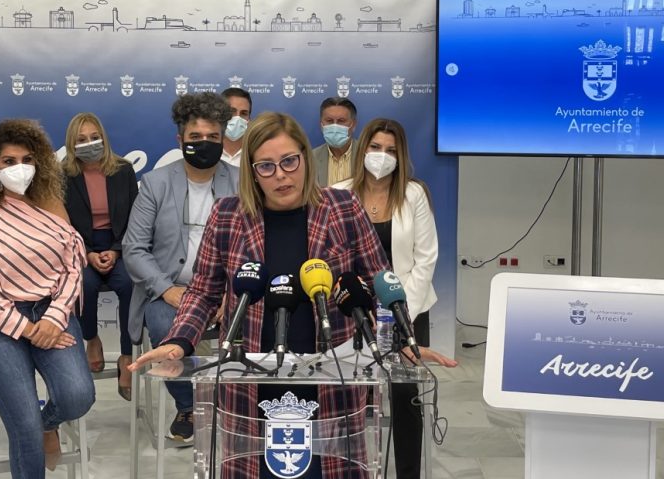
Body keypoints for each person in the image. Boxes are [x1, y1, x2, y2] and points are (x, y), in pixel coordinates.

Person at [130, 112, 454, 478]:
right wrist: (179, 342)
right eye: (266, 166)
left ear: (304, 157)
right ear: (252, 172)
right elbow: (204, 292)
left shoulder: (343, 208)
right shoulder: (227, 215)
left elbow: (379, 283)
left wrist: (400, 339)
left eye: (289, 161)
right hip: (251, 381)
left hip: (331, 381)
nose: (281, 175)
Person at [0, 119, 95, 477]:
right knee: (25, 429)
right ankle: (36, 428)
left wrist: (51, 319)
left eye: (28, 159)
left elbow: (72, 268)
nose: (20, 168)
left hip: (52, 313)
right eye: (9, 161)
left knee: (78, 397)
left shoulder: (51, 204)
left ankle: (48, 422)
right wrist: (28, 329)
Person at [123, 92, 238, 443]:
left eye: (213, 138)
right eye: (195, 138)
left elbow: (254, 246)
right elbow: (134, 247)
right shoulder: (157, 183)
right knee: (163, 323)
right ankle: (190, 405)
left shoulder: (241, 182)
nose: (204, 144)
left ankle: (237, 403)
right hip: (167, 289)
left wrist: (230, 292)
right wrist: (166, 289)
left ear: (223, 138)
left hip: (226, 289)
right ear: (180, 140)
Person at [333, 118, 440, 479]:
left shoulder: (414, 194)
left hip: (408, 307)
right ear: (362, 150)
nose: (382, 156)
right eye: (375, 148)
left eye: (391, 151)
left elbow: (426, 258)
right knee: (349, 394)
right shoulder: (339, 193)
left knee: (405, 396)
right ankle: (348, 468)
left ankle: (408, 473)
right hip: (354, 312)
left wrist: (398, 311)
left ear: (401, 155)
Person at [62, 112, 138, 401]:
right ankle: (91, 340)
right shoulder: (62, 175)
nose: (90, 143)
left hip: (120, 246)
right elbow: (62, 224)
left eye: (95, 137)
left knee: (131, 285)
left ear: (104, 138)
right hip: (82, 249)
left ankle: (127, 356)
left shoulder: (123, 170)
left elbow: (136, 217)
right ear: (72, 144)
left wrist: (116, 250)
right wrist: (89, 253)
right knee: (84, 285)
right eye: (82, 140)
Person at [311, 97, 359, 187]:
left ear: (353, 125)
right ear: (321, 125)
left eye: (341, 121)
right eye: (329, 121)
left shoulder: (366, 156)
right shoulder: (310, 159)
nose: (335, 126)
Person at [221, 86, 252, 167]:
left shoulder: (256, 153)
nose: (237, 118)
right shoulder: (209, 151)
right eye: (232, 111)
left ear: (249, 119)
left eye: (244, 113)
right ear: (219, 114)